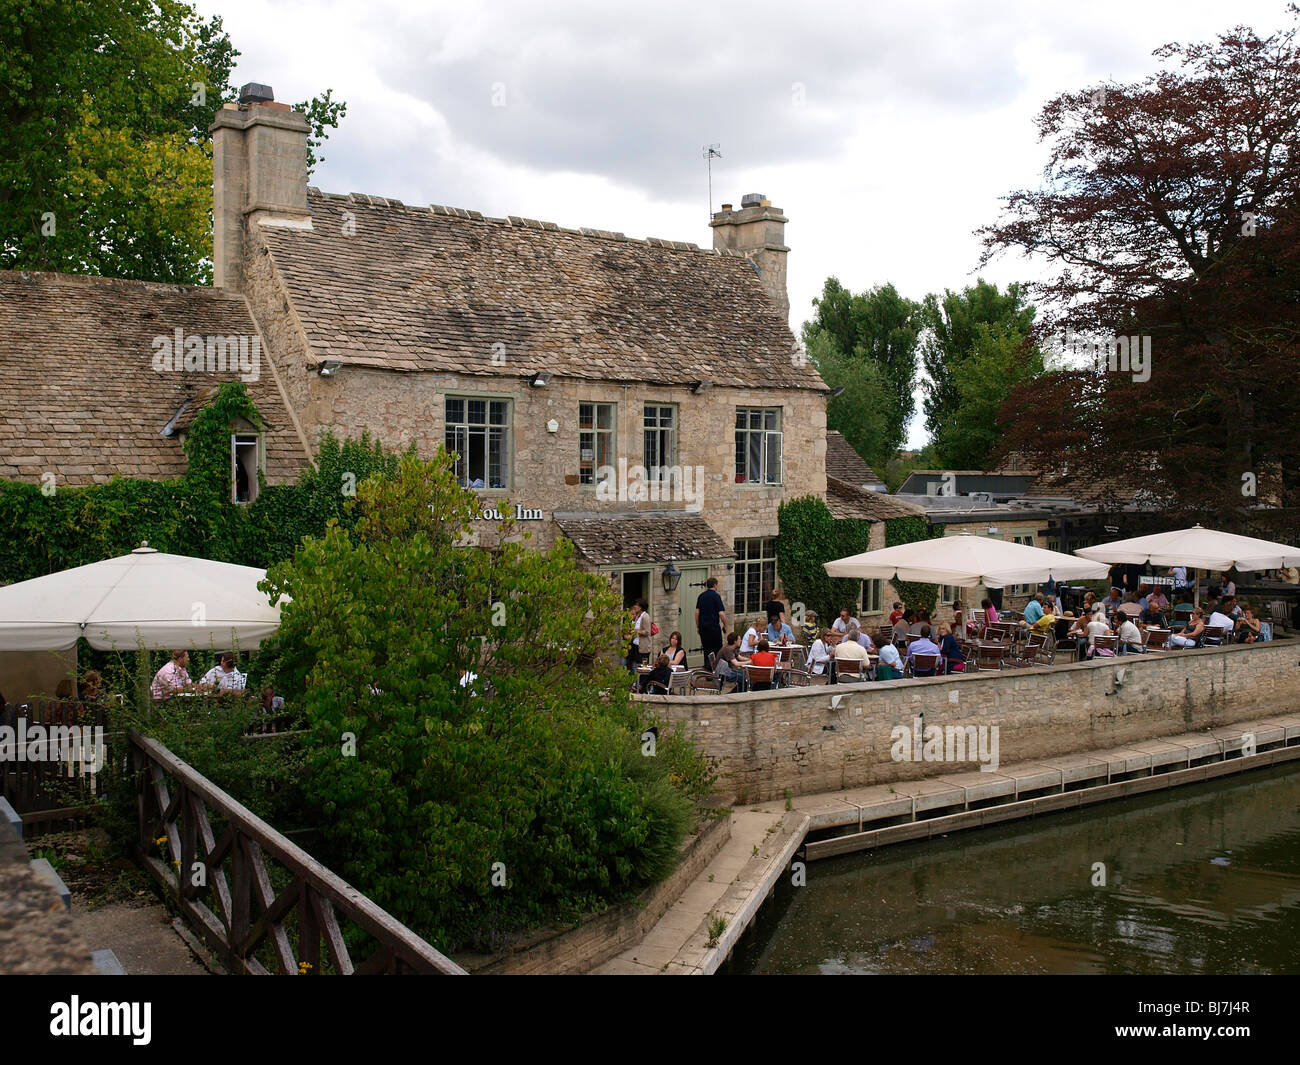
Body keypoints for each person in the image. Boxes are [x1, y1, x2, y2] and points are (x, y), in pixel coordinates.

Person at [694, 577, 727, 665]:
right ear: (715, 585)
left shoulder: (701, 596)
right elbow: (721, 613)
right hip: (713, 628)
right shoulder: (716, 596)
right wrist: (725, 625)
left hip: (703, 628)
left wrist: (698, 626)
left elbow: (697, 613)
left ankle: (708, 670)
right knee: (717, 650)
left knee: (707, 650)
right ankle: (717, 670)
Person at [627, 599, 651, 671]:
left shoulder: (645, 616)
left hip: (643, 648)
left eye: (636, 605)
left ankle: (642, 682)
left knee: (643, 668)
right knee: (635, 666)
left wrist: (635, 631)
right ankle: (635, 682)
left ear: (640, 607)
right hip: (636, 646)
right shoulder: (638, 616)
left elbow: (647, 632)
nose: (635, 606)